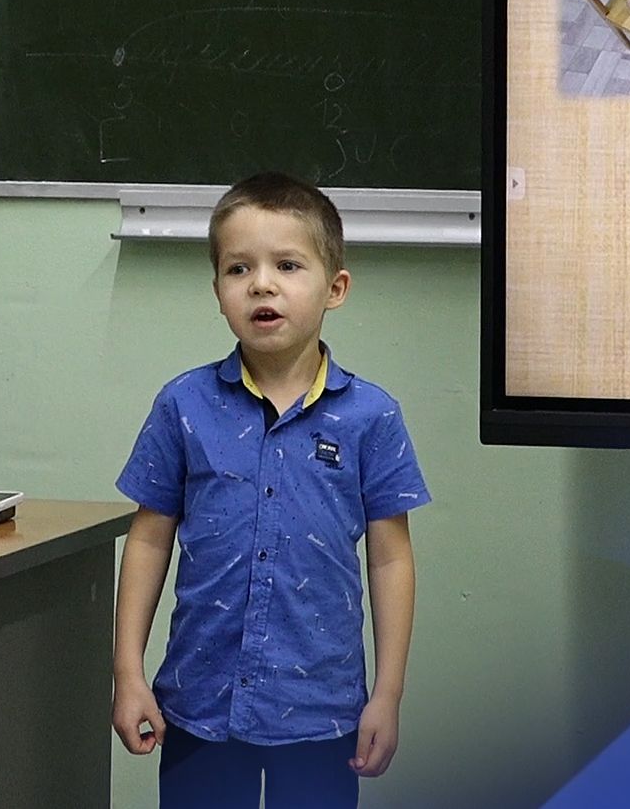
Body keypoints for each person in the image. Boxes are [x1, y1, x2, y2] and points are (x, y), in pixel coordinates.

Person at [110, 172, 430, 807]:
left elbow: (390, 559)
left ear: (335, 288)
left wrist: (388, 694)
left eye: (287, 265)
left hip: (321, 710)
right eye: (238, 269)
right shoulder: (183, 405)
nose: (261, 283)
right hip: (200, 702)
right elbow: (148, 541)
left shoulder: (371, 417)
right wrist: (127, 673)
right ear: (218, 291)